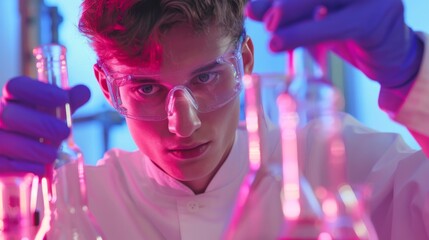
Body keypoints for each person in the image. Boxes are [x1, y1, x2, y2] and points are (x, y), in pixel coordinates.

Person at [0, 0, 428, 239]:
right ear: (107, 86)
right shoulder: (71, 206)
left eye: (206, 77)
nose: (182, 126)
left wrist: (415, 72)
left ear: (244, 61)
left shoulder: (353, 167)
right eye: (146, 88)